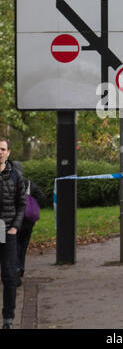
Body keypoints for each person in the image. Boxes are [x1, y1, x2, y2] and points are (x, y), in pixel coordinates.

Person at [0, 139, 26, 329]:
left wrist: (15, 228)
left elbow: (22, 204)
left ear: (8, 152)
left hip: (6, 229)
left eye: (2, 149)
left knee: (9, 276)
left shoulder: (16, 176)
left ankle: (8, 319)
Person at [13, 162, 45, 287]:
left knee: (13, 246)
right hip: (28, 222)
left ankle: (15, 268)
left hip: (12, 221)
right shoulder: (30, 184)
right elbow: (42, 198)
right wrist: (33, 204)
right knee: (23, 246)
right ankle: (21, 269)